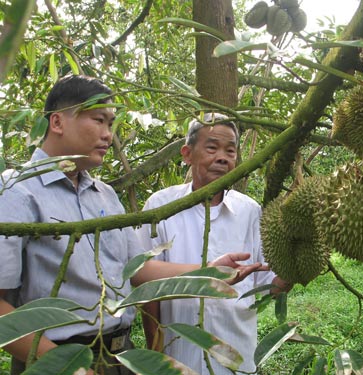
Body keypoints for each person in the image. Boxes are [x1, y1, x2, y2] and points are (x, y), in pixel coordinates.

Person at [0, 76, 264, 375]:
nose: (108, 135)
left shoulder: (105, 195)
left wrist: (210, 272)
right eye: (99, 120)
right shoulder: (16, 191)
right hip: (52, 361)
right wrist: (64, 367)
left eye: (111, 124)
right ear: (58, 122)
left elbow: (135, 269)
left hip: (118, 357)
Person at [138, 112, 291, 374]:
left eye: (230, 151)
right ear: (187, 154)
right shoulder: (160, 207)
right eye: (212, 147)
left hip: (236, 359)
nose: (222, 157)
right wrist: (155, 352)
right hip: (178, 358)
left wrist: (296, 268)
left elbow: (267, 287)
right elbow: (145, 285)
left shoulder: (250, 211)